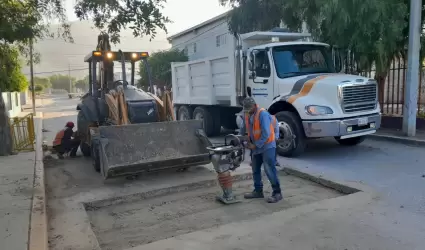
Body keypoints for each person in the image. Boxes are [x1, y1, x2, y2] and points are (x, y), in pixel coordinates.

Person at [239, 97, 282, 203]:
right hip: (256, 147)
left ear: (254, 105)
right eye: (246, 110)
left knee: (269, 169)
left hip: (267, 146)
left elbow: (266, 134)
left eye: (249, 109)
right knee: (255, 169)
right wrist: (244, 139)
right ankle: (258, 191)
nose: (247, 111)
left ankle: (277, 193)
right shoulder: (247, 114)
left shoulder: (262, 114)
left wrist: (256, 145)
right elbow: (245, 129)